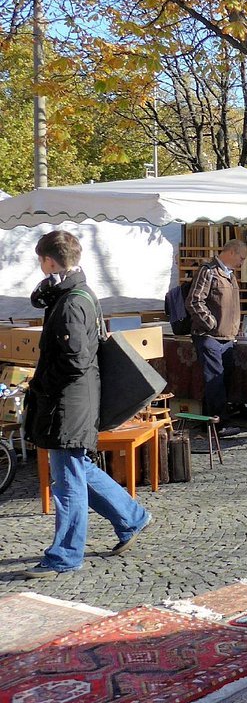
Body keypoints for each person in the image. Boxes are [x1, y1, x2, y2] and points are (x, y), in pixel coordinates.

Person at [21, 231, 153, 579]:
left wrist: (39, 385)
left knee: (67, 481)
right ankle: (132, 517)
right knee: (77, 469)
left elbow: (75, 360)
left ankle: (65, 555)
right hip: (74, 400)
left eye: (41, 260)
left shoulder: (71, 302)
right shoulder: (77, 294)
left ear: (49, 261)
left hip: (68, 403)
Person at [187, 239, 247, 435]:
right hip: (209, 336)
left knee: (222, 379)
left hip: (226, 336)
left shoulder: (230, 275)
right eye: (241, 257)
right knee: (215, 379)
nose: (242, 262)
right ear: (231, 252)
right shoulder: (208, 271)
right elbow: (194, 300)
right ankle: (220, 424)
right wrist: (210, 322)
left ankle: (210, 422)